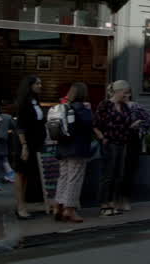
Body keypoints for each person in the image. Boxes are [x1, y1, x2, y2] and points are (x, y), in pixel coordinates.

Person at [54, 82, 95, 223]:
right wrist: (89, 109)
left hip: (63, 147)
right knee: (75, 178)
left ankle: (58, 206)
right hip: (77, 148)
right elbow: (89, 124)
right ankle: (69, 209)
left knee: (63, 177)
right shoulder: (82, 109)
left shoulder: (64, 107)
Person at [94, 80, 134, 217]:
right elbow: (95, 124)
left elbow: (127, 122)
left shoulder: (124, 106)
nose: (127, 95)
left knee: (118, 175)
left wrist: (133, 125)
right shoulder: (105, 105)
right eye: (125, 92)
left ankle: (112, 203)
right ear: (118, 91)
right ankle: (104, 205)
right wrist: (102, 138)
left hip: (122, 142)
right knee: (108, 174)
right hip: (109, 143)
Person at [11, 75, 45, 220]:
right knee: (21, 173)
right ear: (29, 85)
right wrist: (24, 145)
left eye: (40, 83)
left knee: (27, 174)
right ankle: (20, 206)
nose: (40, 86)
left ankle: (23, 204)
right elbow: (20, 126)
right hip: (24, 142)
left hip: (34, 142)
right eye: (37, 83)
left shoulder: (35, 101)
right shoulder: (24, 103)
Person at [119, 84, 150, 213]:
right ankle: (115, 200)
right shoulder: (114, 106)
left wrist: (140, 128)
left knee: (129, 171)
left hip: (132, 141)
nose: (124, 95)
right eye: (122, 92)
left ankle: (125, 200)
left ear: (129, 94)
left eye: (126, 92)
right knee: (117, 171)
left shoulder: (135, 106)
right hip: (118, 140)